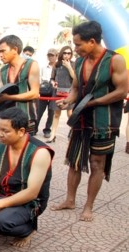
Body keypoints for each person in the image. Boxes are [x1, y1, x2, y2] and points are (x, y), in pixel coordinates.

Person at [51, 21, 128, 221]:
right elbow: (76, 88)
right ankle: (69, 200)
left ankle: (89, 206)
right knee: (74, 162)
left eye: (78, 45)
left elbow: (122, 91)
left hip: (105, 122)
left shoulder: (115, 60)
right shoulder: (79, 62)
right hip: (81, 120)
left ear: (92, 42)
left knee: (96, 163)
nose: (74, 49)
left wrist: (94, 102)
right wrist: (67, 101)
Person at [0, 108, 54, 247]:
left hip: (29, 202)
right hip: (4, 193)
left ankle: (28, 229)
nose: (0, 134)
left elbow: (32, 193)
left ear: (21, 131)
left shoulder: (40, 152)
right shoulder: (1, 146)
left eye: (5, 131)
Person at [0, 35, 40, 134]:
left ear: (15, 49)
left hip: (27, 120)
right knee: (4, 148)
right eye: (0, 52)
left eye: (3, 51)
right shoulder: (3, 70)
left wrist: (8, 97)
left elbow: (35, 93)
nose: (0, 55)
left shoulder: (31, 65)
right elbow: (4, 96)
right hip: (7, 122)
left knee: (27, 148)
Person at [46, 45, 75, 143]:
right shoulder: (56, 65)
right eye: (65, 53)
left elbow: (75, 78)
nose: (67, 55)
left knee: (70, 113)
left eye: (69, 53)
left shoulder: (74, 64)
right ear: (61, 54)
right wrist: (53, 83)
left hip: (69, 93)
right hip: (57, 92)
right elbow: (52, 78)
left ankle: (74, 130)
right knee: (56, 114)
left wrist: (69, 66)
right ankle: (52, 135)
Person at [36, 48, 57, 138]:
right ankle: (34, 128)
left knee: (51, 112)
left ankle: (47, 130)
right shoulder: (43, 68)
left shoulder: (59, 67)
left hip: (54, 91)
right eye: (49, 55)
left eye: (52, 55)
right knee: (39, 111)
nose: (50, 57)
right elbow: (39, 79)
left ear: (56, 56)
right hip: (44, 91)